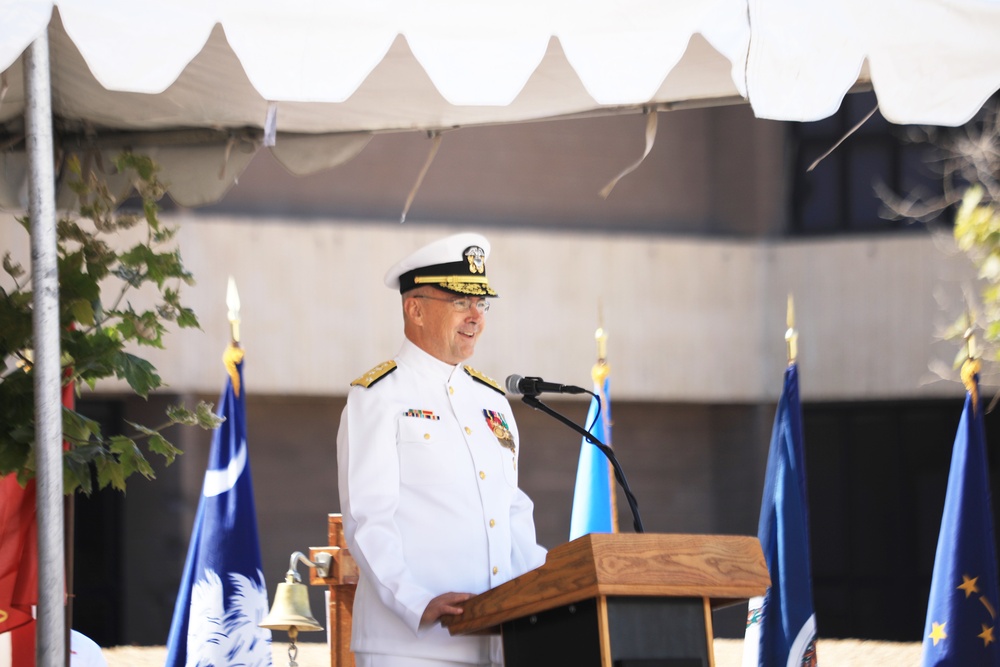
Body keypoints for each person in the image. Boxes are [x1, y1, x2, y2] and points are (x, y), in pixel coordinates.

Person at [337, 232, 547, 667]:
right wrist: (417, 601)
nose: (475, 317)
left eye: (481, 304)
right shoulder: (377, 396)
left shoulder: (492, 401)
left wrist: (548, 592)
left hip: (498, 642)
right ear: (414, 308)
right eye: (459, 302)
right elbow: (367, 520)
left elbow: (511, 512)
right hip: (412, 645)